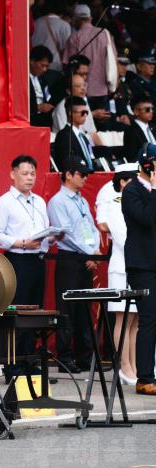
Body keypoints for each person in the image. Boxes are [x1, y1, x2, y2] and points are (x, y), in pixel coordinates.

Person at [0, 155, 56, 376]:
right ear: (13, 174)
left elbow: (43, 230)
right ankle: (13, 365)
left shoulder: (39, 201)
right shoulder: (4, 202)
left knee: (34, 312)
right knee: (17, 312)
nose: (29, 178)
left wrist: (52, 237)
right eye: (24, 173)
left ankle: (29, 361)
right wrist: (22, 242)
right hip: (17, 261)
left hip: (38, 260)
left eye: (32, 174)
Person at [46, 157, 100, 373]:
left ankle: (85, 356)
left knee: (85, 308)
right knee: (67, 308)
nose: (85, 178)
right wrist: (89, 252)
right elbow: (65, 234)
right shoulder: (58, 201)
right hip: (70, 258)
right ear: (68, 174)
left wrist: (94, 251)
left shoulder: (81, 200)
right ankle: (65, 357)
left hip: (86, 257)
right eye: (81, 174)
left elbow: (92, 228)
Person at [96, 163, 138, 385]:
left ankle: (134, 364)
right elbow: (122, 237)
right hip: (122, 267)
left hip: (137, 267)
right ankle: (123, 366)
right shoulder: (115, 204)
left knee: (135, 320)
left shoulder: (135, 202)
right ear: (123, 181)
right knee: (123, 317)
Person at [122, 144, 156, 396]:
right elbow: (146, 218)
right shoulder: (132, 190)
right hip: (142, 265)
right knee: (149, 319)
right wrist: (154, 189)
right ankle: (145, 377)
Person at [64, 3, 117, 103]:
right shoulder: (105, 34)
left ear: (76, 19)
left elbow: (68, 65)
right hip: (104, 89)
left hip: (82, 90)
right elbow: (114, 61)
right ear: (90, 18)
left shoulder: (74, 37)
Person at [52, 97, 95, 170]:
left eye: (86, 112)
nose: (85, 115)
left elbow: (91, 156)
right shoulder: (63, 136)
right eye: (82, 112)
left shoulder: (83, 137)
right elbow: (66, 162)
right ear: (70, 113)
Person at [31, 0, 71, 71]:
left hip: (35, 66)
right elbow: (66, 51)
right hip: (54, 66)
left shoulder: (35, 23)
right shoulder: (64, 25)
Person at [30, 46, 59, 128]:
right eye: (42, 65)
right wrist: (37, 108)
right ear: (32, 61)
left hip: (44, 119)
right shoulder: (23, 80)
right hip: (31, 119)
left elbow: (48, 96)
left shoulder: (44, 79)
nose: (45, 69)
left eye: (47, 66)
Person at [124, 96, 155, 161]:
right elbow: (132, 156)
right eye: (147, 109)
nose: (151, 111)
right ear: (136, 112)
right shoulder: (131, 130)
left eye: (152, 109)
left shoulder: (153, 128)